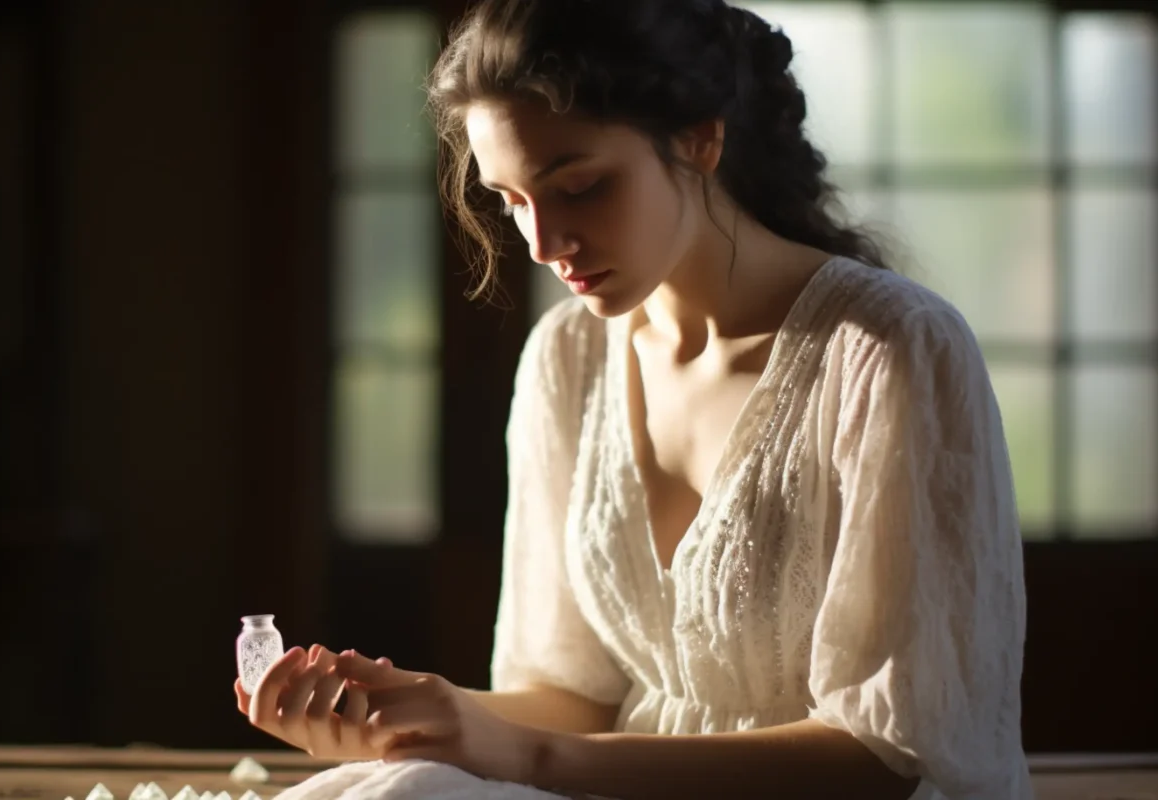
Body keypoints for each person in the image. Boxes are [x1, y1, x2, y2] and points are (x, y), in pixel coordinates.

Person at [234, 1, 1032, 797]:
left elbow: (888, 757)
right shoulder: (568, 356)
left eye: (578, 186)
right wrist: (409, 715)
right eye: (510, 200)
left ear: (699, 139)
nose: (543, 244)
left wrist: (520, 757)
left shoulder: (888, 351)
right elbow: (572, 697)